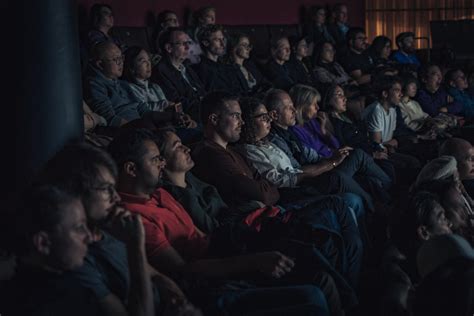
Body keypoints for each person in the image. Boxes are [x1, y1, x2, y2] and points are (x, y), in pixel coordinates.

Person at [109, 128, 347, 316]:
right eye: (155, 160)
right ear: (131, 169)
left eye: (162, 158)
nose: (162, 164)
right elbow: (186, 269)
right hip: (212, 280)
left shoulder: (159, 193)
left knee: (313, 254)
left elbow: (201, 234)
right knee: (313, 295)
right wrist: (253, 261)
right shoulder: (134, 216)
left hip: (223, 249)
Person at [39, 143, 200, 316]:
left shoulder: (110, 229)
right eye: (106, 189)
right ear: (76, 193)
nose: (116, 197)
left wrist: (181, 302)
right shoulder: (76, 258)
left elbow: (155, 275)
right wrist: (135, 246)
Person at [288, 84, 392, 210]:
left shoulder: (313, 122)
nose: (317, 107)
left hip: (336, 161)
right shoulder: (294, 131)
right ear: (302, 105)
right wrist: (334, 156)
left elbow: (336, 145)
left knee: (373, 172)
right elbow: (312, 158)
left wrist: (326, 133)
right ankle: (388, 197)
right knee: (359, 155)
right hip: (327, 169)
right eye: (313, 104)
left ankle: (390, 193)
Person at [325, 84, 396, 181]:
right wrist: (372, 154)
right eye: (339, 95)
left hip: (370, 151)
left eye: (344, 95)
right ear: (328, 99)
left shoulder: (347, 117)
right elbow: (345, 146)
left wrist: (378, 147)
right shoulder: (331, 122)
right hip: (362, 159)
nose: (344, 99)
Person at [123, 46, 197, 131]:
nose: (148, 64)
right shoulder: (129, 88)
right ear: (132, 68)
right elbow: (142, 110)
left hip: (170, 126)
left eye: (149, 60)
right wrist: (164, 104)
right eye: (143, 61)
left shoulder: (155, 87)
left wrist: (183, 117)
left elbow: (168, 109)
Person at [152, 27, 206, 121]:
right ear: (169, 48)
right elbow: (177, 101)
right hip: (191, 116)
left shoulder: (186, 67)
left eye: (188, 43)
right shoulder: (160, 71)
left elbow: (202, 90)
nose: (188, 47)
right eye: (183, 44)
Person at [193, 24, 238, 92]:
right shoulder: (200, 69)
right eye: (217, 40)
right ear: (205, 43)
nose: (223, 44)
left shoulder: (225, 66)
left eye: (223, 39)